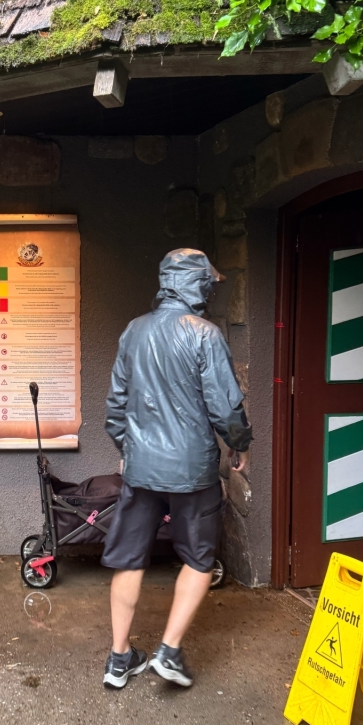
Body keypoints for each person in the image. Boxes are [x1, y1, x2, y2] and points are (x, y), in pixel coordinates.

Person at [101, 249, 252, 689]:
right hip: (193, 470)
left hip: (141, 468)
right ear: (196, 284)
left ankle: (118, 659)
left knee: (129, 560)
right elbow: (225, 407)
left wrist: (126, 448)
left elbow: (116, 405)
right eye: (208, 282)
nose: (210, 289)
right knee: (200, 559)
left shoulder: (133, 331)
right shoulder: (204, 334)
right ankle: (169, 651)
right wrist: (238, 446)